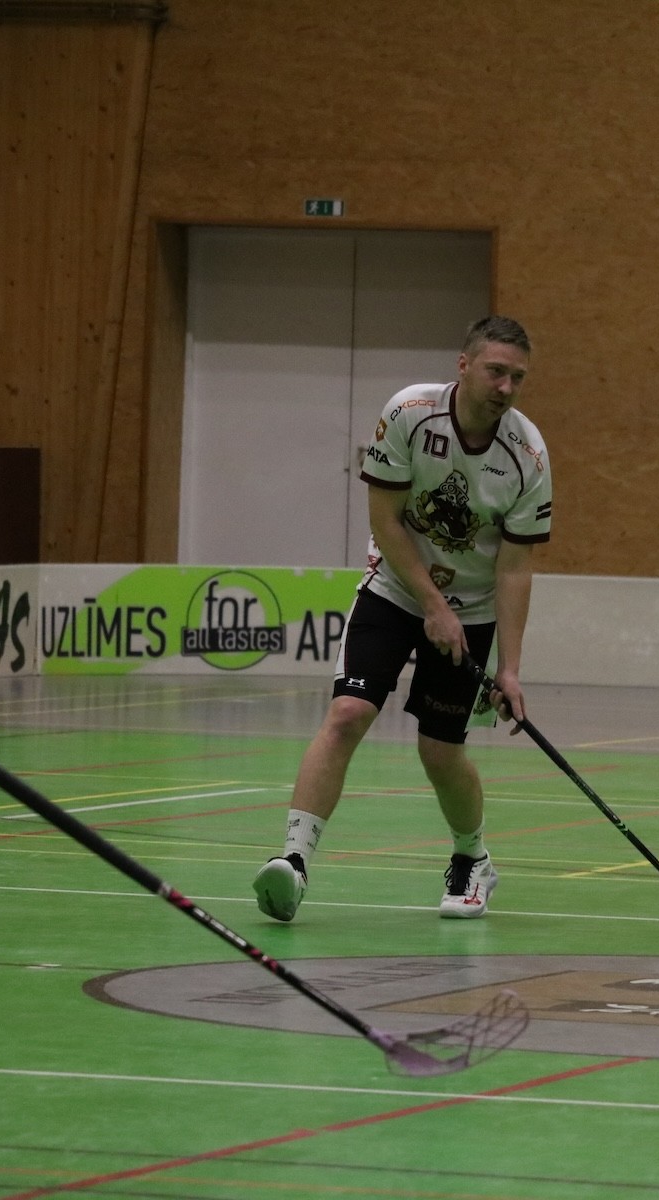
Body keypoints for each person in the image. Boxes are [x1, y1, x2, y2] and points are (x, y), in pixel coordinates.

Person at [253, 315, 552, 922]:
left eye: (518, 377)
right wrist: (432, 606)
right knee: (348, 713)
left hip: (473, 610)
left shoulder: (528, 455)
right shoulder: (410, 414)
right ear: (463, 365)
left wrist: (510, 670)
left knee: (440, 751)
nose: (506, 387)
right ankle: (294, 861)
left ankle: (473, 858)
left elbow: (515, 569)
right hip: (394, 587)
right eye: (496, 371)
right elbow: (385, 520)